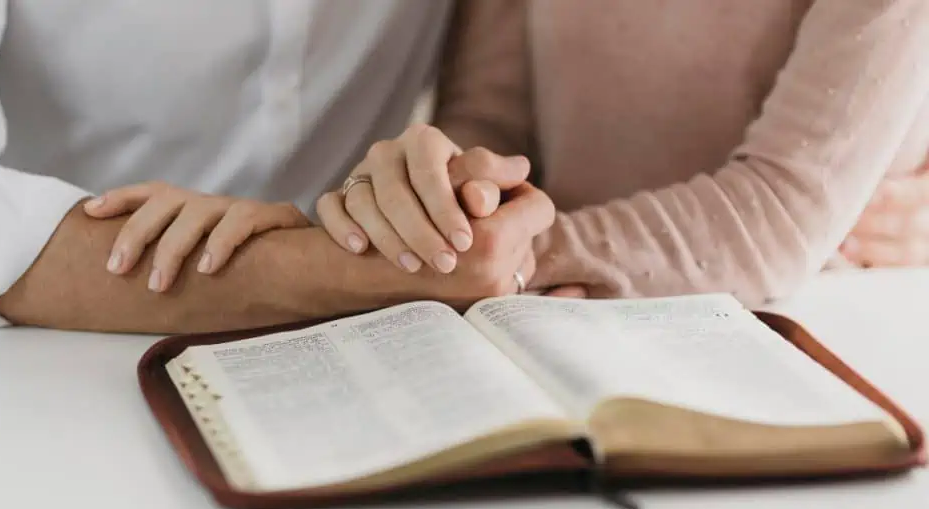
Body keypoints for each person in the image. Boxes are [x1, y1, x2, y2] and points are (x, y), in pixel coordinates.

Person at [0, 1, 555, 334]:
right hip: (18, 359)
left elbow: (482, 112)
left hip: (365, 357)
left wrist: (444, 204)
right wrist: (318, 268)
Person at [315, 0, 929, 305]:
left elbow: (775, 208)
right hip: (554, 315)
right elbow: (491, 121)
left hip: (803, 328)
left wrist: (520, 255)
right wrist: (449, 202)